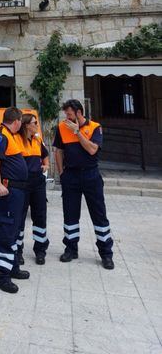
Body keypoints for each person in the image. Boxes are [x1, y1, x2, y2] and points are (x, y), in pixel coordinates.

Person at [53, 99, 114, 270]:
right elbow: (58, 151)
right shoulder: (62, 127)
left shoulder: (95, 127)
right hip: (70, 176)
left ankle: (106, 254)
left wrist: (78, 132)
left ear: (79, 112)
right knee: (70, 215)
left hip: (91, 175)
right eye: (66, 114)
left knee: (99, 214)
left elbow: (92, 149)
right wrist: (61, 174)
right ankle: (71, 249)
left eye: (70, 114)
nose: (67, 117)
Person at [0, 107, 30, 293]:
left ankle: (12, 267)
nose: (21, 125)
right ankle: (1, 276)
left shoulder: (11, 135)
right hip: (8, 191)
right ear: (16, 121)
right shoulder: (1, 137)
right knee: (7, 230)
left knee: (14, 231)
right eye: (20, 122)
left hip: (18, 192)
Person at [16, 114, 50, 265]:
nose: (37, 124)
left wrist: (46, 165)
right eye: (34, 122)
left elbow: (45, 155)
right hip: (22, 183)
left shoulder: (37, 139)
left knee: (40, 216)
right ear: (26, 125)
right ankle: (18, 251)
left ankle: (40, 250)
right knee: (19, 217)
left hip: (38, 183)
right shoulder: (17, 140)